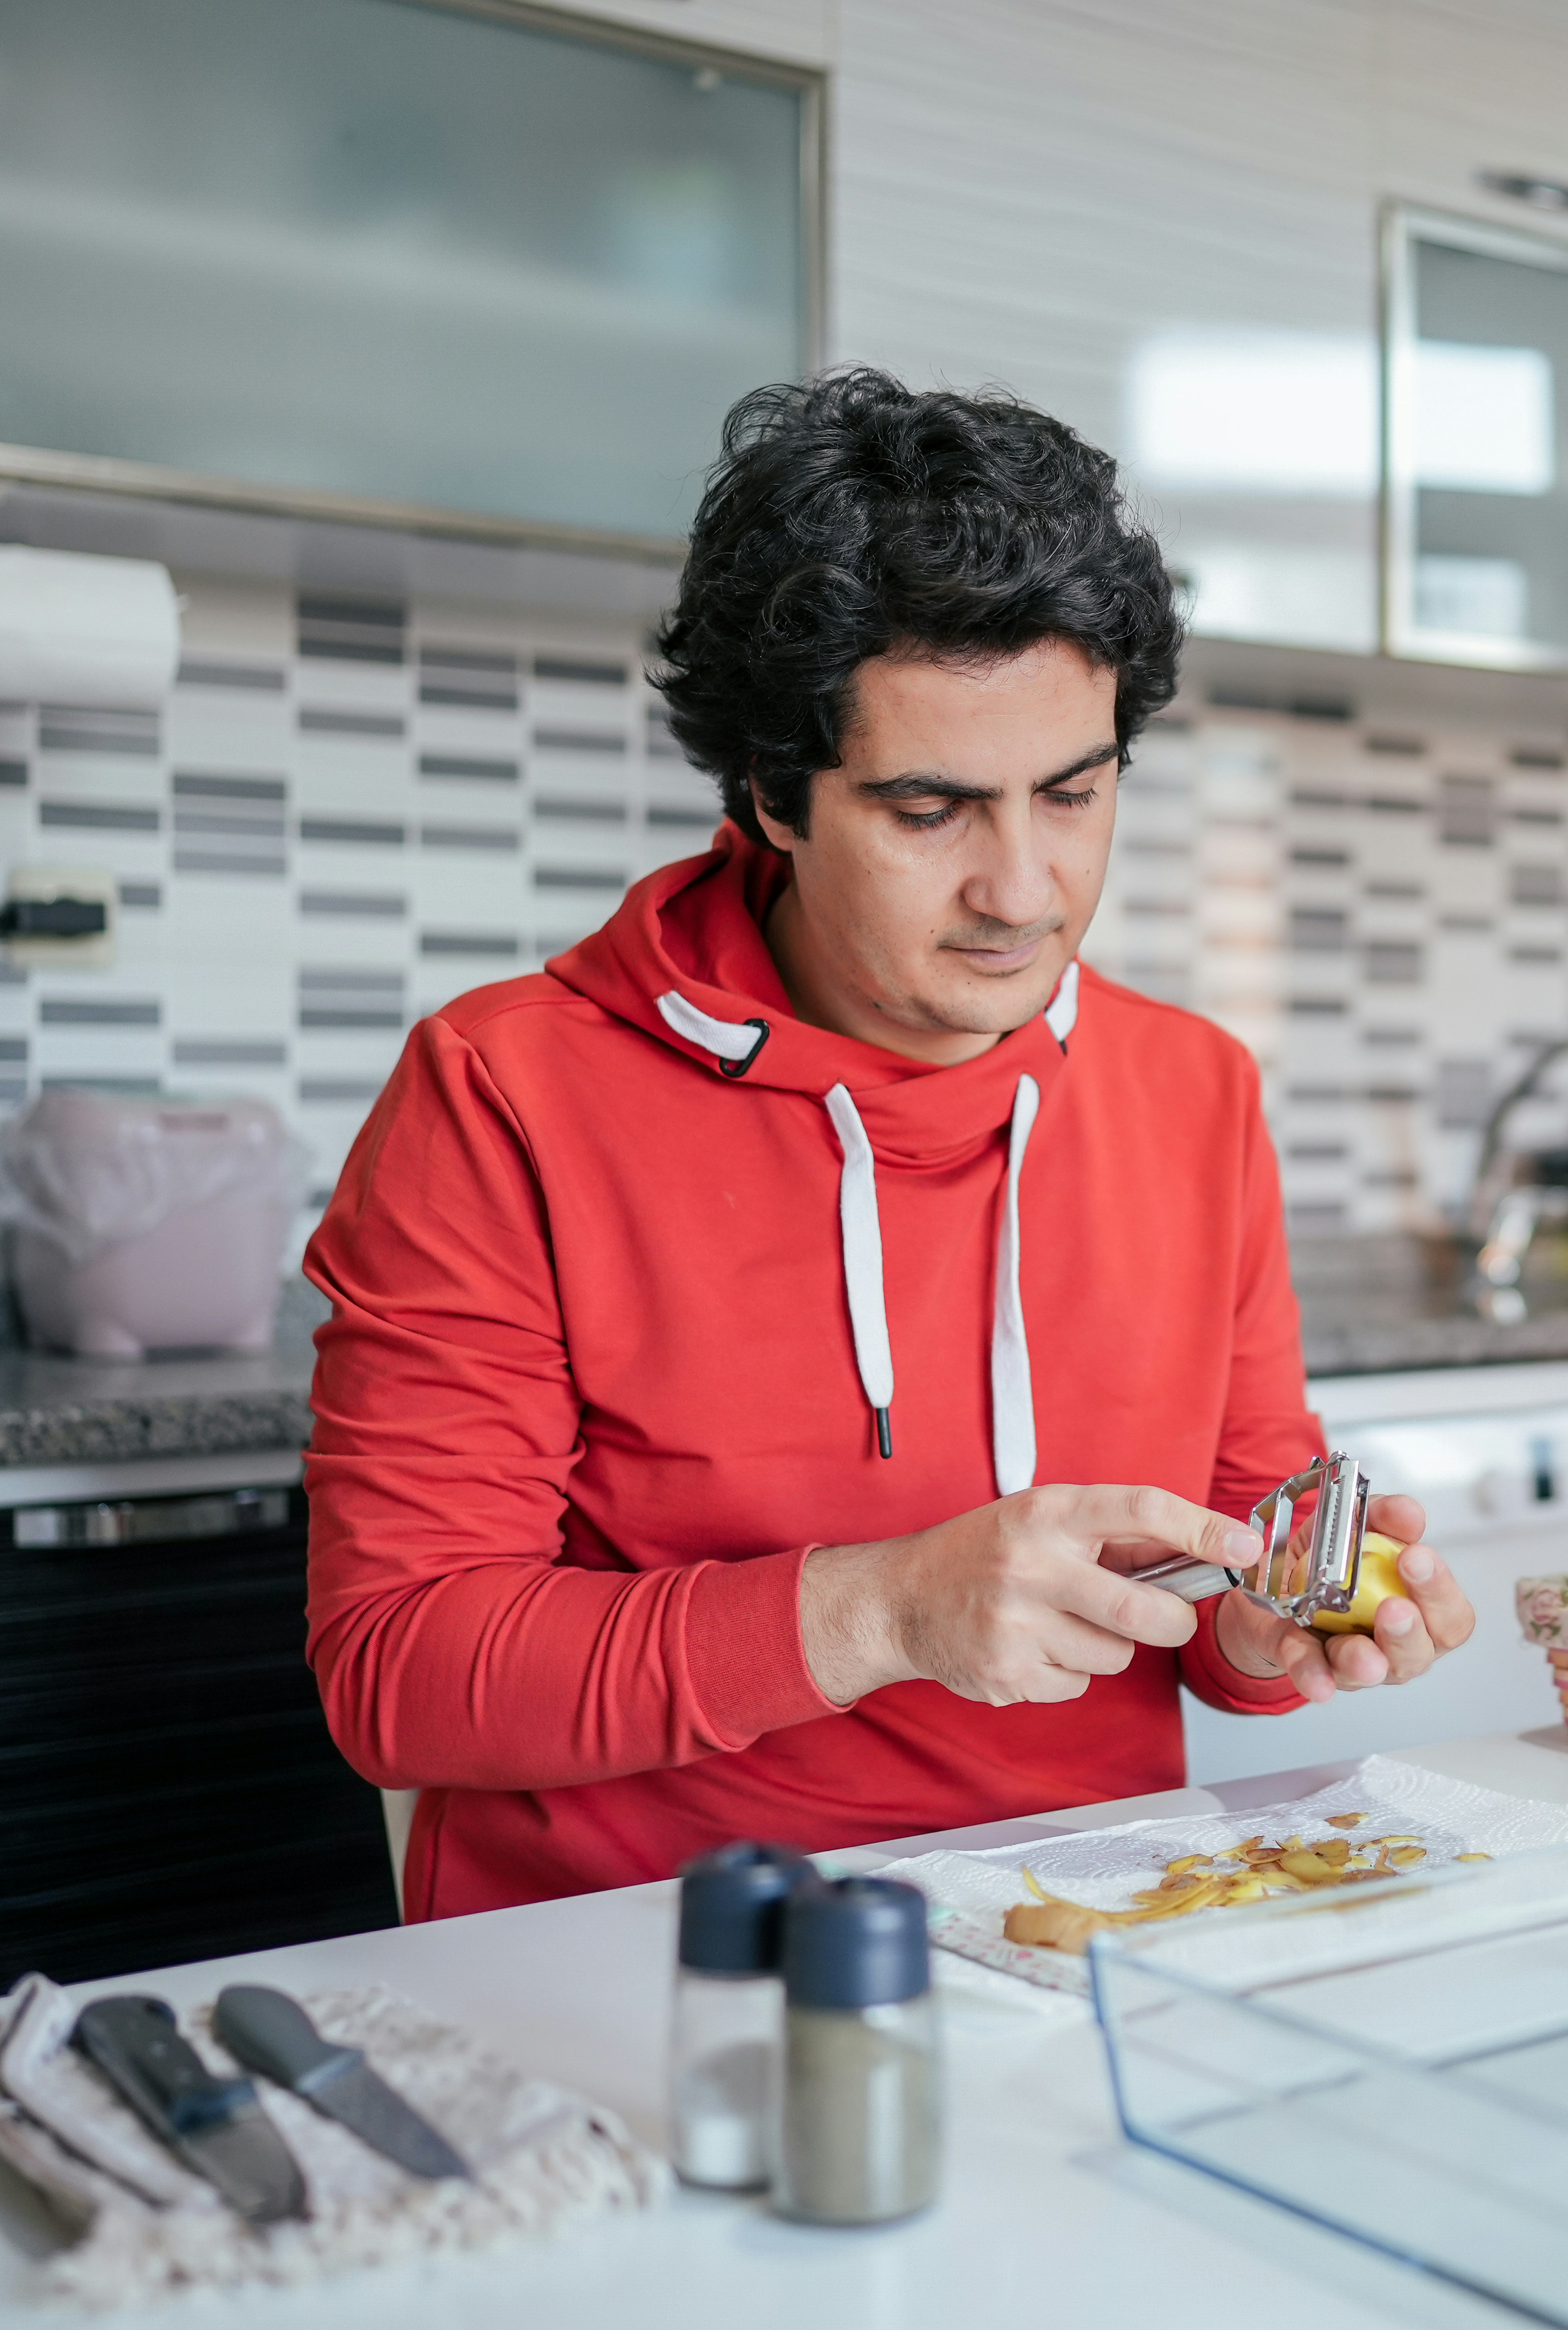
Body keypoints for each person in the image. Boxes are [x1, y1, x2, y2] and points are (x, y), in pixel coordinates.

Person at [303, 369, 1475, 1918]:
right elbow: (400, 1671)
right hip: (647, 1954)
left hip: (1086, 1931)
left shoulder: (1192, 1091)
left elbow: (1223, 1579)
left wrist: (1264, 1632)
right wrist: (880, 1610)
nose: (1022, 888)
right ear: (772, 795)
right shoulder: (504, 1091)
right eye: (930, 809)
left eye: (1072, 792)